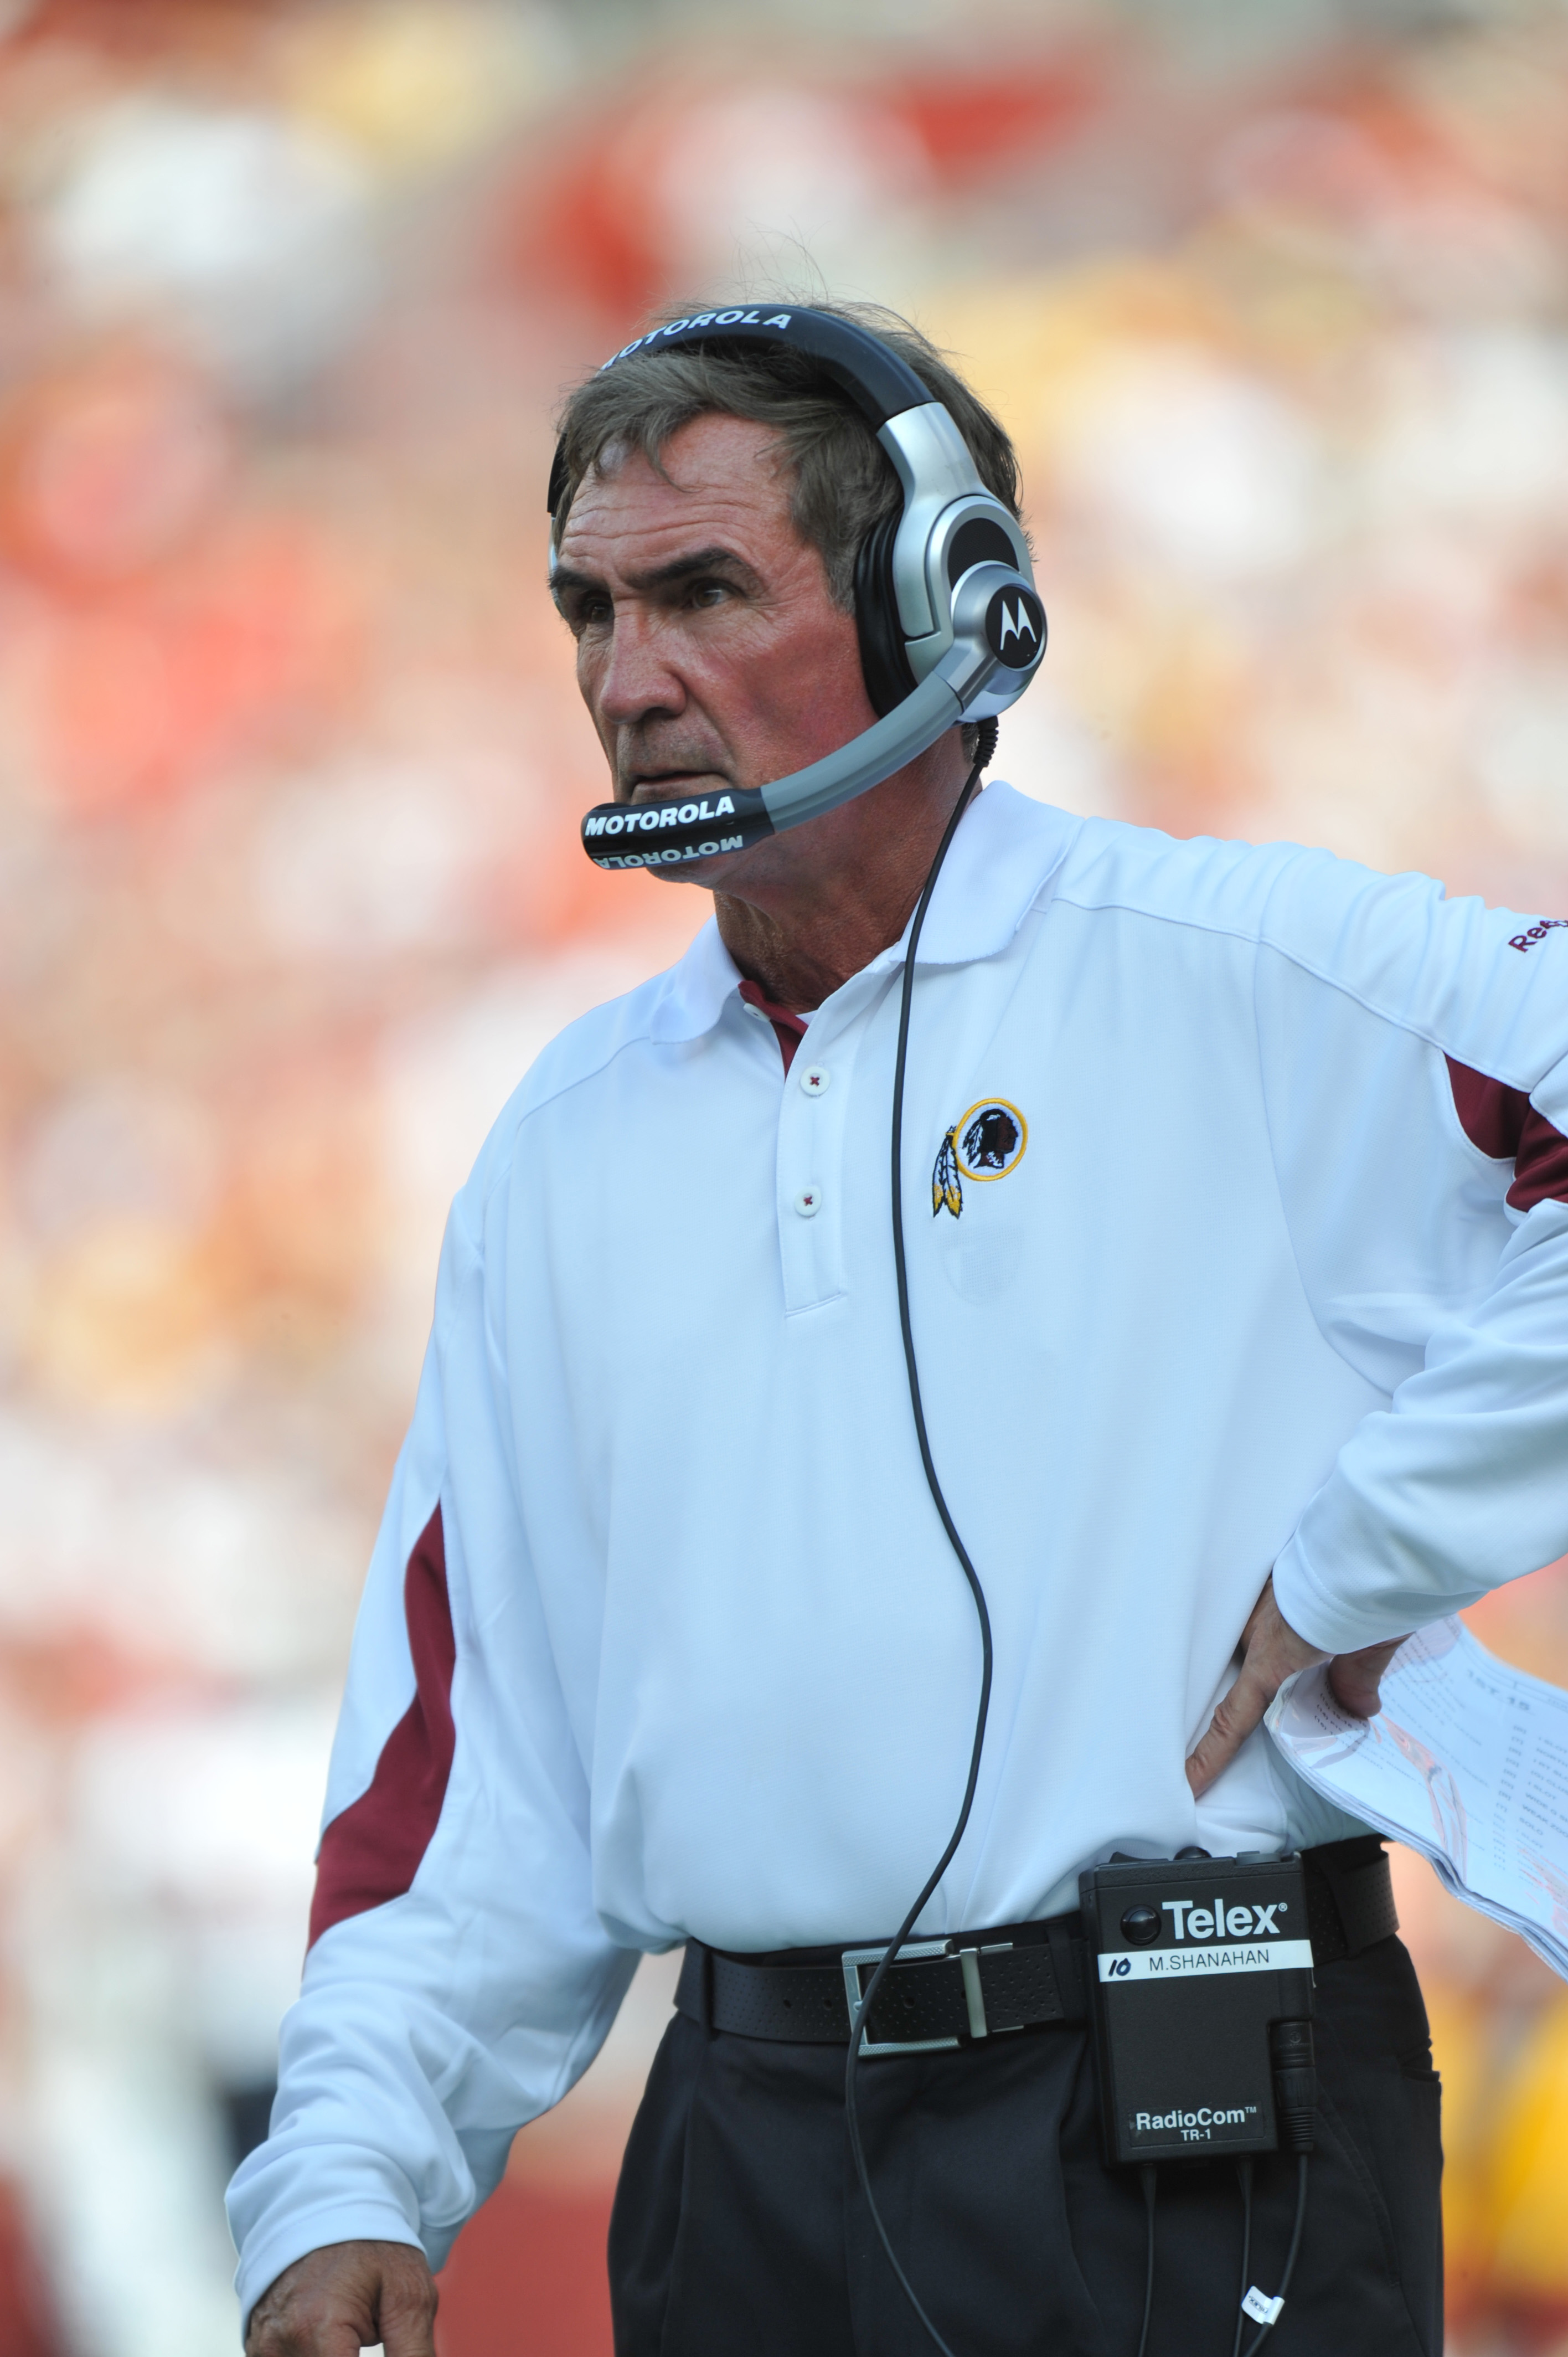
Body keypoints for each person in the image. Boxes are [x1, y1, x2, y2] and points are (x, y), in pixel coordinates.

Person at [231, 301, 1568, 2357]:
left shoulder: (1244, 973)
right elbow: (475, 1766)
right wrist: (345, 2176)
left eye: (700, 593)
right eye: (589, 609)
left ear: (946, 601)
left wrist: (1362, 1560)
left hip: (1195, 2126)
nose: (625, 676)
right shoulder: (561, 1145)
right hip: (741, 2150)